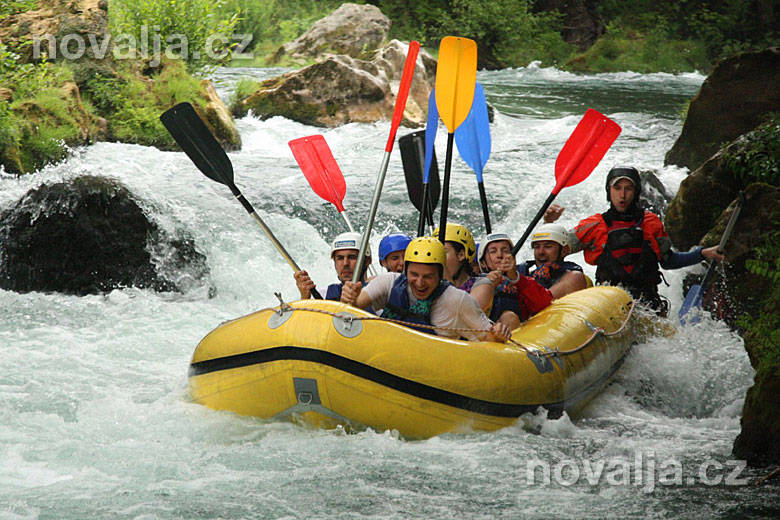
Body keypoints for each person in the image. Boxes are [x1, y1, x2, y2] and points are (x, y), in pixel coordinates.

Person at [551, 166, 723, 316]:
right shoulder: (594, 225)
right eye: (617, 188)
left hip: (647, 304)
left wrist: (701, 254)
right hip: (608, 306)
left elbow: (669, 261)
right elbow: (557, 249)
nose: (622, 195)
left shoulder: (652, 222)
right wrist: (549, 223)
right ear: (608, 191)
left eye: (628, 188)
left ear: (636, 192)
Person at [339, 236, 511, 343]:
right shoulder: (389, 282)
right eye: (414, 275)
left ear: (440, 274)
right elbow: (355, 306)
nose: (420, 283)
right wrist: (350, 298)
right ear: (405, 270)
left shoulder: (457, 301)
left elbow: (486, 338)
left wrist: (498, 335)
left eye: (428, 276)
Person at [478, 231, 555, 329]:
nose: (500, 255)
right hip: (484, 333)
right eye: (493, 251)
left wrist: (515, 278)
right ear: (483, 263)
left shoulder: (523, 279)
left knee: (509, 317)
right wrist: (486, 285)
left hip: (518, 330)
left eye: (505, 250)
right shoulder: (475, 283)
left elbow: (546, 304)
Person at [433, 222, 499, 313]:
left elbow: (466, 314)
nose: (437, 258)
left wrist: (446, 281)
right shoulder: (428, 283)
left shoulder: (483, 284)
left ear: (461, 255)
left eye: (443, 252)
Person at [293, 231, 371, 301]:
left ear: (367, 261)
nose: (345, 263)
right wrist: (305, 298)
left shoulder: (379, 294)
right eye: (340, 258)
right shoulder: (325, 294)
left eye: (352, 257)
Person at [519, 223, 588, 299]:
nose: (541, 252)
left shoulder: (574, 277)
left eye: (548, 246)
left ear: (564, 250)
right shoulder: (528, 274)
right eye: (537, 247)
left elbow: (541, 302)